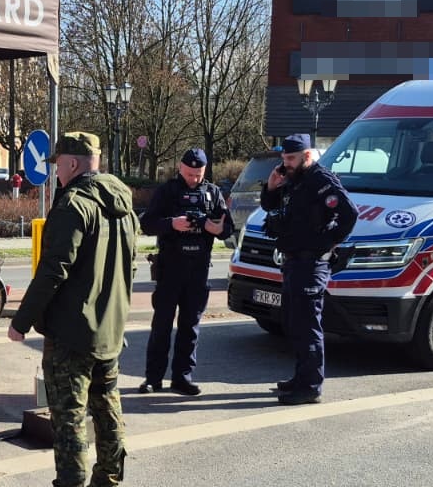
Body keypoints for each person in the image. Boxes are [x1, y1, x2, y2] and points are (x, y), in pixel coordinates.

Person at [7, 132, 137, 487]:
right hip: (109, 328)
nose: (55, 173)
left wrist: (21, 321)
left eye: (58, 164)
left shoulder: (74, 205)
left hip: (73, 332)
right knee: (108, 410)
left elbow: (53, 270)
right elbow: (130, 264)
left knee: (70, 418)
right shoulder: (122, 202)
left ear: (74, 164)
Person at [258, 134, 356, 405]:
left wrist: (325, 242)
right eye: (284, 158)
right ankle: (301, 377)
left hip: (312, 263)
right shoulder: (293, 180)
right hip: (292, 261)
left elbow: (349, 215)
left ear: (307, 156)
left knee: (308, 325)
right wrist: (271, 187)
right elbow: (270, 207)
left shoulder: (321, 181)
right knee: (294, 323)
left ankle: (311, 386)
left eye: (291, 158)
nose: (286, 163)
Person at [138, 147, 234, 396]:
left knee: (190, 327)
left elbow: (227, 229)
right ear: (180, 168)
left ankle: (182, 378)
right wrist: (172, 224)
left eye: (198, 174)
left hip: (198, 270)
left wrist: (213, 228)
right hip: (170, 268)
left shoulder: (212, 193)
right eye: (190, 174)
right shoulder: (167, 191)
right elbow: (147, 224)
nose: (194, 179)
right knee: (161, 326)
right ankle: (153, 378)